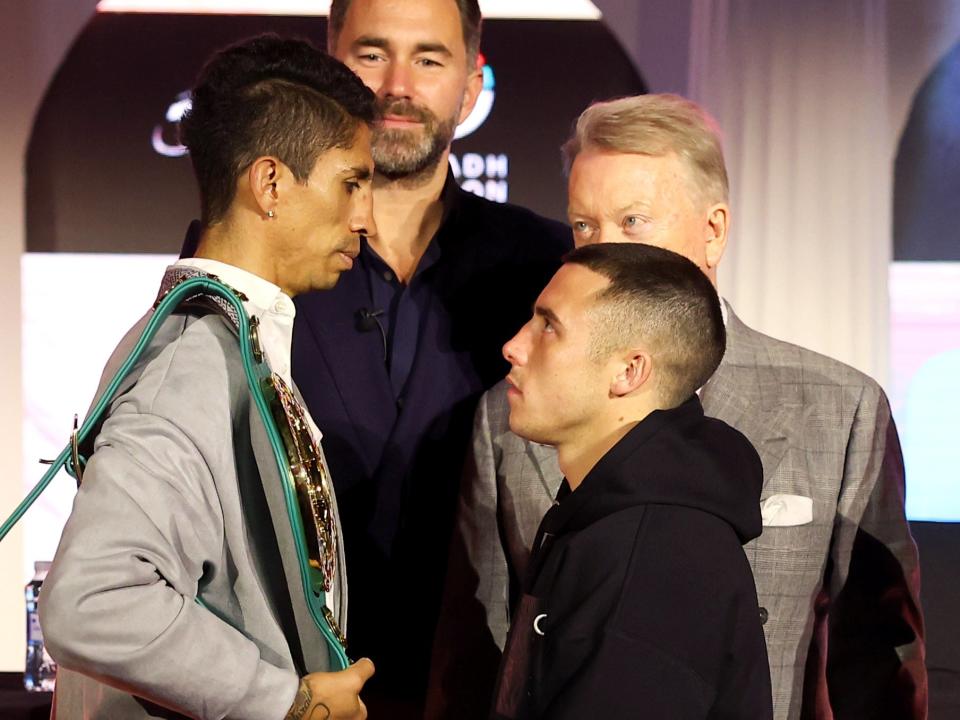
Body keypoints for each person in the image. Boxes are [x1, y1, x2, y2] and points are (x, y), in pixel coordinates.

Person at [431, 94, 927, 720]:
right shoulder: (507, 416)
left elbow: (881, 662)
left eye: (634, 221)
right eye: (583, 226)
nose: (602, 249)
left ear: (714, 230)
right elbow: (479, 657)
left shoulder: (838, 410)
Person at [39, 35, 378, 720]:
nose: (364, 218)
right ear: (272, 183)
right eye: (351, 183)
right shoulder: (190, 364)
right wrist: (286, 700)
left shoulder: (216, 342)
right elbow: (90, 601)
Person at [290, 0, 571, 713]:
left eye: (429, 58)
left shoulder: (545, 264)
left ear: (471, 86)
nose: (398, 86)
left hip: (484, 682)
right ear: (331, 66)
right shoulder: (261, 257)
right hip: (296, 683)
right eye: (373, 54)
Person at [490, 242, 772, 719]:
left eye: (549, 326)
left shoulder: (652, 559)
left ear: (628, 371)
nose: (513, 345)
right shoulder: (613, 518)